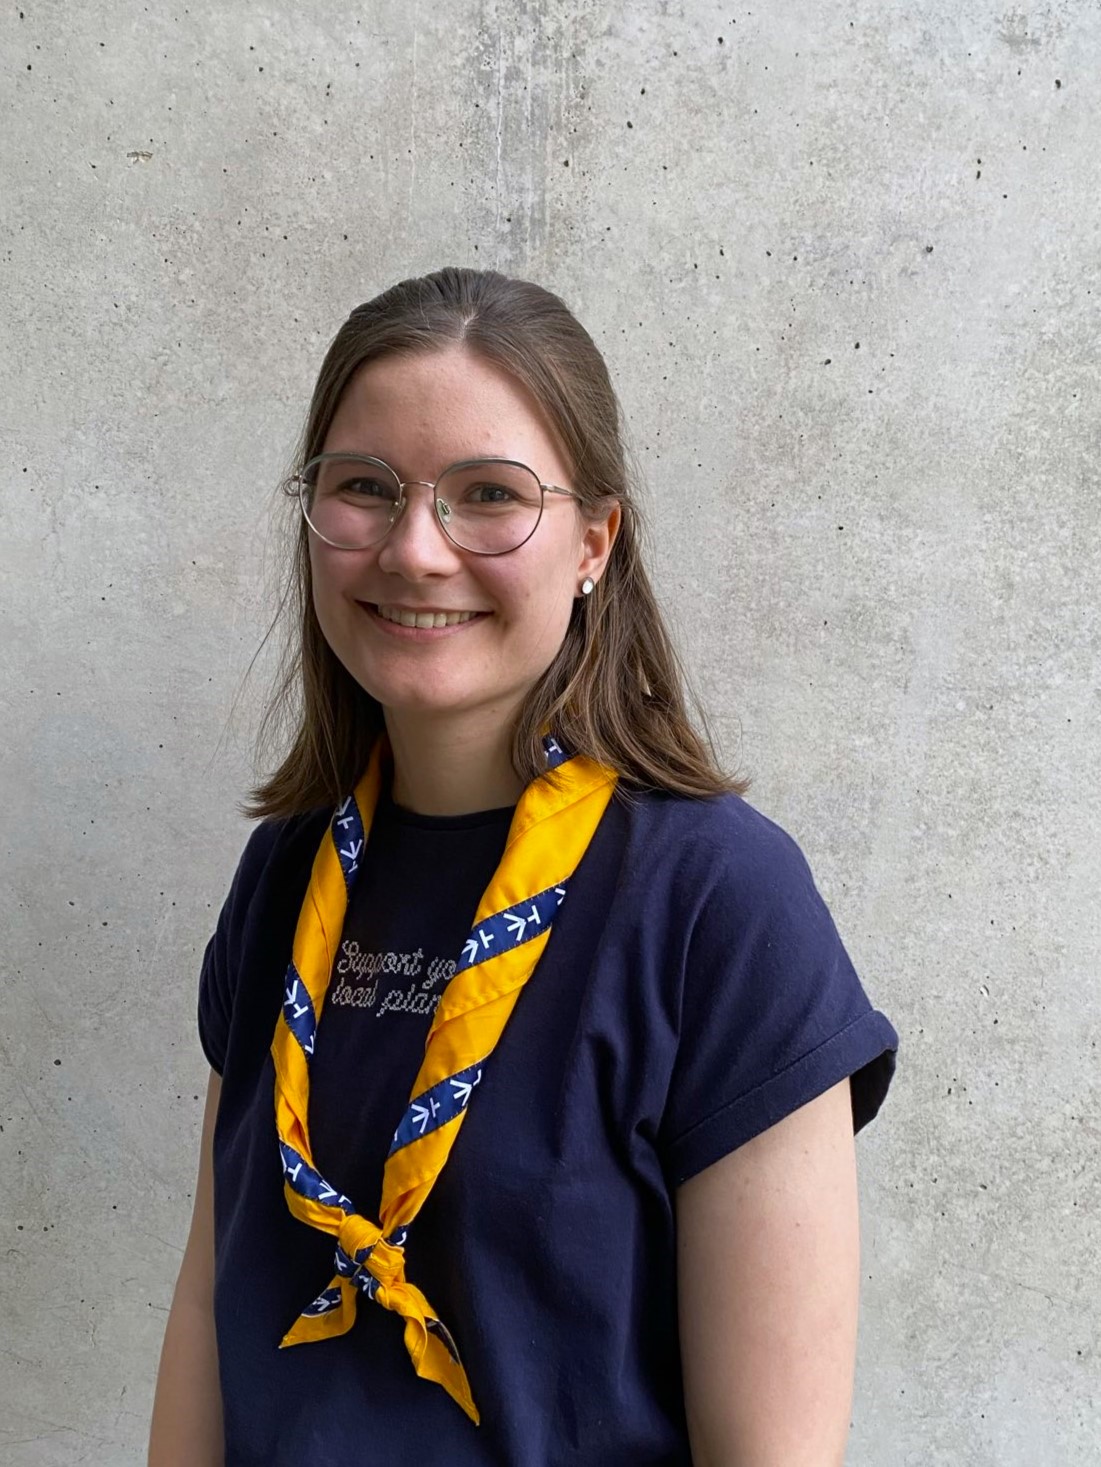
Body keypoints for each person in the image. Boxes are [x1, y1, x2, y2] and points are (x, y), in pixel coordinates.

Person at [148, 266, 898, 1467]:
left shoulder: (720, 904)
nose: (415, 549)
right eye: (364, 487)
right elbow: (208, 1304)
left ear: (595, 541)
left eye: (488, 495)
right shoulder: (286, 874)